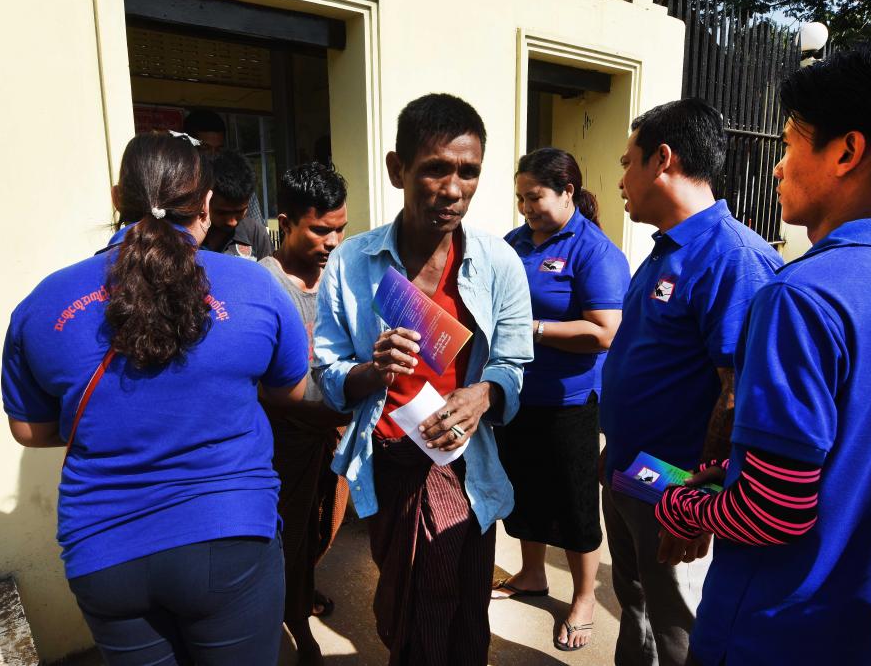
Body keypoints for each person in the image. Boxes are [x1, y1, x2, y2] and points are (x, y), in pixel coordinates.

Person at [1, 131, 309, 665]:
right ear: (207, 204)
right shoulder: (255, 286)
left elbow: (29, 429)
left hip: (104, 550)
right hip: (229, 537)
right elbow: (292, 388)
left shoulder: (43, 303)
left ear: (118, 197)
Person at [655, 38, 871, 666]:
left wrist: (682, 503)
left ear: (847, 152)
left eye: (790, 143)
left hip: (776, 631)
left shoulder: (802, 297)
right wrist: (741, 479)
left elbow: (773, 512)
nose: (776, 167)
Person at [312, 93, 533, 666]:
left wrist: (484, 393)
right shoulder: (354, 262)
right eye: (436, 168)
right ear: (397, 168)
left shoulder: (496, 263)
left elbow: (513, 365)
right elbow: (328, 370)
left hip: (460, 465)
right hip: (386, 462)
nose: (453, 188)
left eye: (469, 172)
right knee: (400, 605)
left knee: (453, 605)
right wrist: (370, 368)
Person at [599, 98, 783, 666]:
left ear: (662, 159)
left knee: (679, 627)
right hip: (631, 472)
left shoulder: (732, 258)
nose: (620, 179)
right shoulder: (664, 251)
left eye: (627, 162)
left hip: (676, 488)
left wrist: (699, 501)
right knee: (635, 607)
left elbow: (740, 393)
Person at [491, 147, 630, 652]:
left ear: (568, 191)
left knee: (573, 502)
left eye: (536, 197)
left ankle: (585, 598)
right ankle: (531, 573)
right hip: (517, 394)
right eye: (521, 199)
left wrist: (535, 329)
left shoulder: (593, 251)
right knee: (524, 489)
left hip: (570, 400)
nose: (526, 208)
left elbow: (606, 331)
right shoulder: (516, 242)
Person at [259, 162, 351, 666]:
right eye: (320, 229)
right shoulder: (263, 283)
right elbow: (261, 385)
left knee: (322, 527)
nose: (333, 240)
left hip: (336, 434)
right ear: (286, 221)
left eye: (340, 228)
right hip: (283, 440)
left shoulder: (342, 275)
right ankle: (294, 620)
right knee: (288, 535)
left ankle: (300, 597)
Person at [201, 148, 273, 261]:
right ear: (205, 199)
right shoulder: (189, 235)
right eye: (222, 212)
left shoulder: (256, 234)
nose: (232, 222)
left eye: (240, 212)